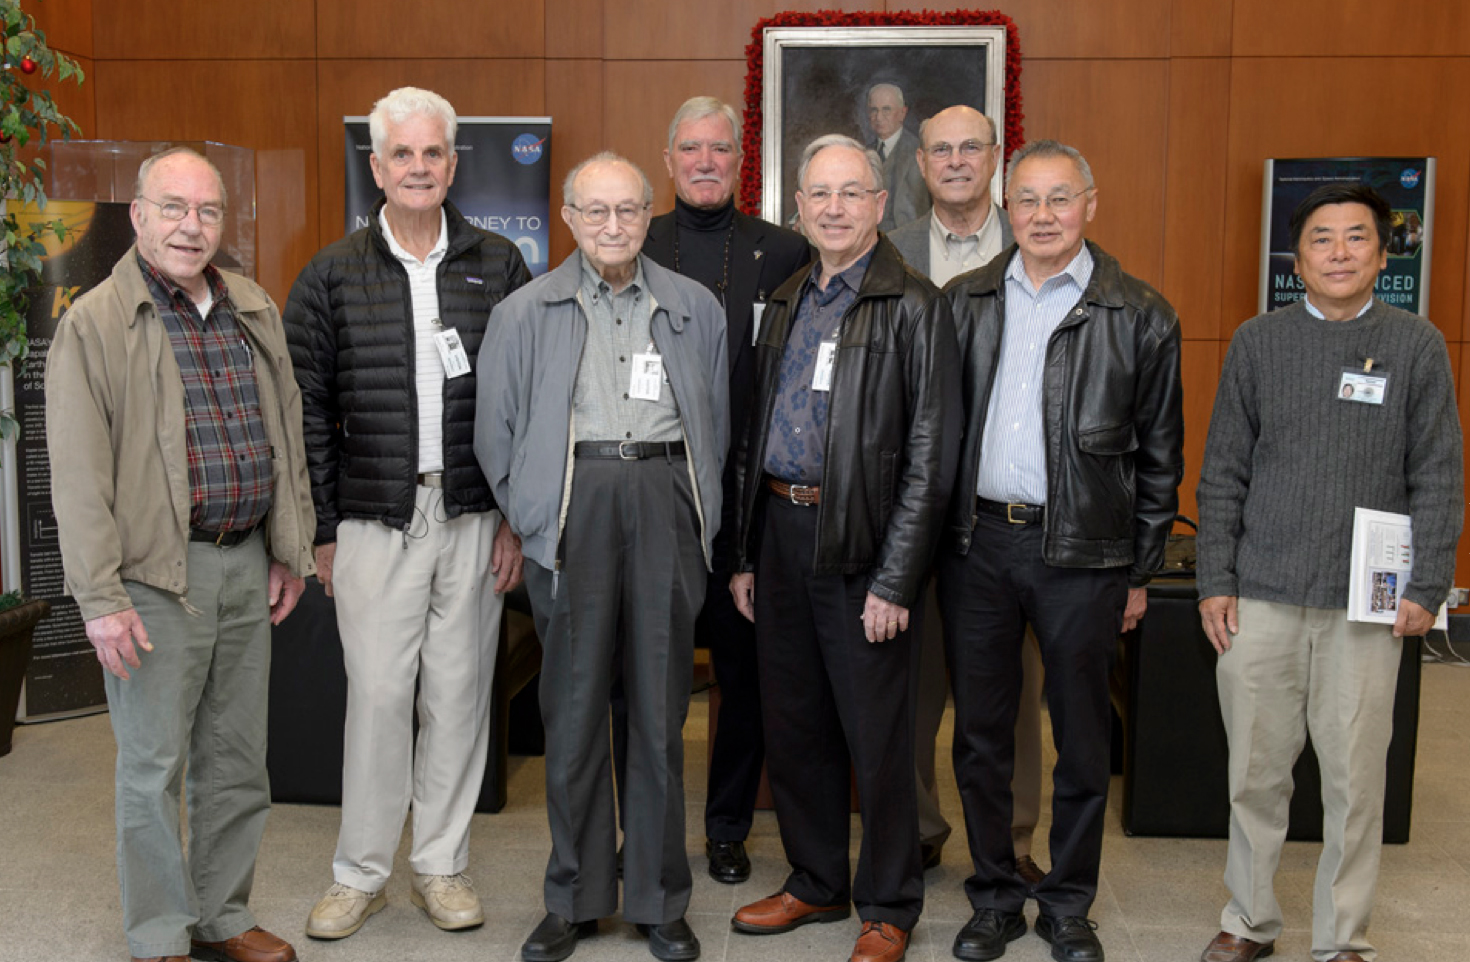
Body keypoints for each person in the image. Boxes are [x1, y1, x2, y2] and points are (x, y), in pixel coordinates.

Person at [46, 146, 315, 962]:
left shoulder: (252, 308)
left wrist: (285, 548)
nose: (190, 227)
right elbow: (79, 478)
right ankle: (161, 930)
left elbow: (286, 438)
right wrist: (100, 600)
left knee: (236, 761)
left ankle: (223, 916)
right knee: (153, 766)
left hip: (245, 565)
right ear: (137, 215)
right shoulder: (95, 322)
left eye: (206, 211)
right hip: (154, 580)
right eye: (173, 207)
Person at [285, 87, 530, 941]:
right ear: (378, 167)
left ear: (453, 165)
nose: (419, 168)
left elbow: (527, 402)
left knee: (459, 697)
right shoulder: (330, 274)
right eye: (403, 155)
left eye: (434, 154)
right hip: (372, 521)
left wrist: (514, 520)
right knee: (381, 697)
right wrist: (320, 526)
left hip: (472, 517)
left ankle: (441, 865)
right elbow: (307, 408)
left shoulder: (498, 264)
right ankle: (360, 874)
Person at [1195, 182, 1462, 962]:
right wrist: (1214, 578)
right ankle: (1248, 920)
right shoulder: (1256, 341)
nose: (1338, 253)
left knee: (1353, 786)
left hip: (1366, 606)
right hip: (1259, 599)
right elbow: (1222, 475)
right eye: (1321, 239)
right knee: (1254, 776)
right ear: (1297, 257)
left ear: (1383, 254)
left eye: (1355, 239)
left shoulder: (1417, 345)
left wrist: (1428, 585)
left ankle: (1344, 938)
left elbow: (1439, 475)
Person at [475, 152, 728, 962]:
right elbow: (496, 431)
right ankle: (575, 895)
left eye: (627, 211)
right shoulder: (524, 311)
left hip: (661, 503)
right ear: (570, 217)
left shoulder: (693, 307)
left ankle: (657, 898)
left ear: (648, 215)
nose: (612, 226)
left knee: (659, 716)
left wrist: (697, 515)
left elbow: (718, 420)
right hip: (573, 507)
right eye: (596, 211)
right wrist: (534, 511)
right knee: (574, 714)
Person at [938, 139, 1184, 962]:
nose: (1042, 216)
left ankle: (1069, 903)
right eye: (1028, 200)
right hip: (977, 546)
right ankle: (997, 896)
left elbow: (1160, 460)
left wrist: (1141, 571)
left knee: (1080, 737)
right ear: (1008, 209)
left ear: (1090, 203)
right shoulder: (963, 299)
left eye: (1059, 199)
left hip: (1084, 553)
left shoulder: (1140, 313)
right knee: (980, 736)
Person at [728, 134, 960, 962]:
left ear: (880, 203)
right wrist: (748, 554)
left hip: (865, 544)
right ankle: (816, 881)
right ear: (797, 207)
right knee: (795, 723)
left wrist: (896, 580)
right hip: (782, 533)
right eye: (818, 195)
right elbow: (757, 433)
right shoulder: (787, 297)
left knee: (878, 736)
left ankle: (889, 904)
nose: (833, 208)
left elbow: (932, 457)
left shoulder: (916, 306)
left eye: (850, 193)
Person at [641, 95, 810, 885]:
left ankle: (727, 828)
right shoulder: (637, 242)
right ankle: (651, 828)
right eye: (690, 148)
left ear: (740, 162)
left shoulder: (785, 252)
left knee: (743, 679)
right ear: (668, 160)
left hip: (751, 509)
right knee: (656, 677)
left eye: (719, 149)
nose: (705, 161)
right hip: (659, 498)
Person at [886, 105, 1043, 883]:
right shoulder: (892, 251)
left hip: (999, 509)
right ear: (919, 164)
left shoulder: (1039, 244)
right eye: (940, 150)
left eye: (970, 148)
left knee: (1008, 690)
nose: (955, 161)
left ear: (996, 160)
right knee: (910, 686)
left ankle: (1010, 842)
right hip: (910, 506)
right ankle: (915, 830)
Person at [866, 83, 930, 232]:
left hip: (910, 241)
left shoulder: (922, 150)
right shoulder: (863, 154)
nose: (879, 117)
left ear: (902, 113)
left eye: (886, 109)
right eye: (874, 110)